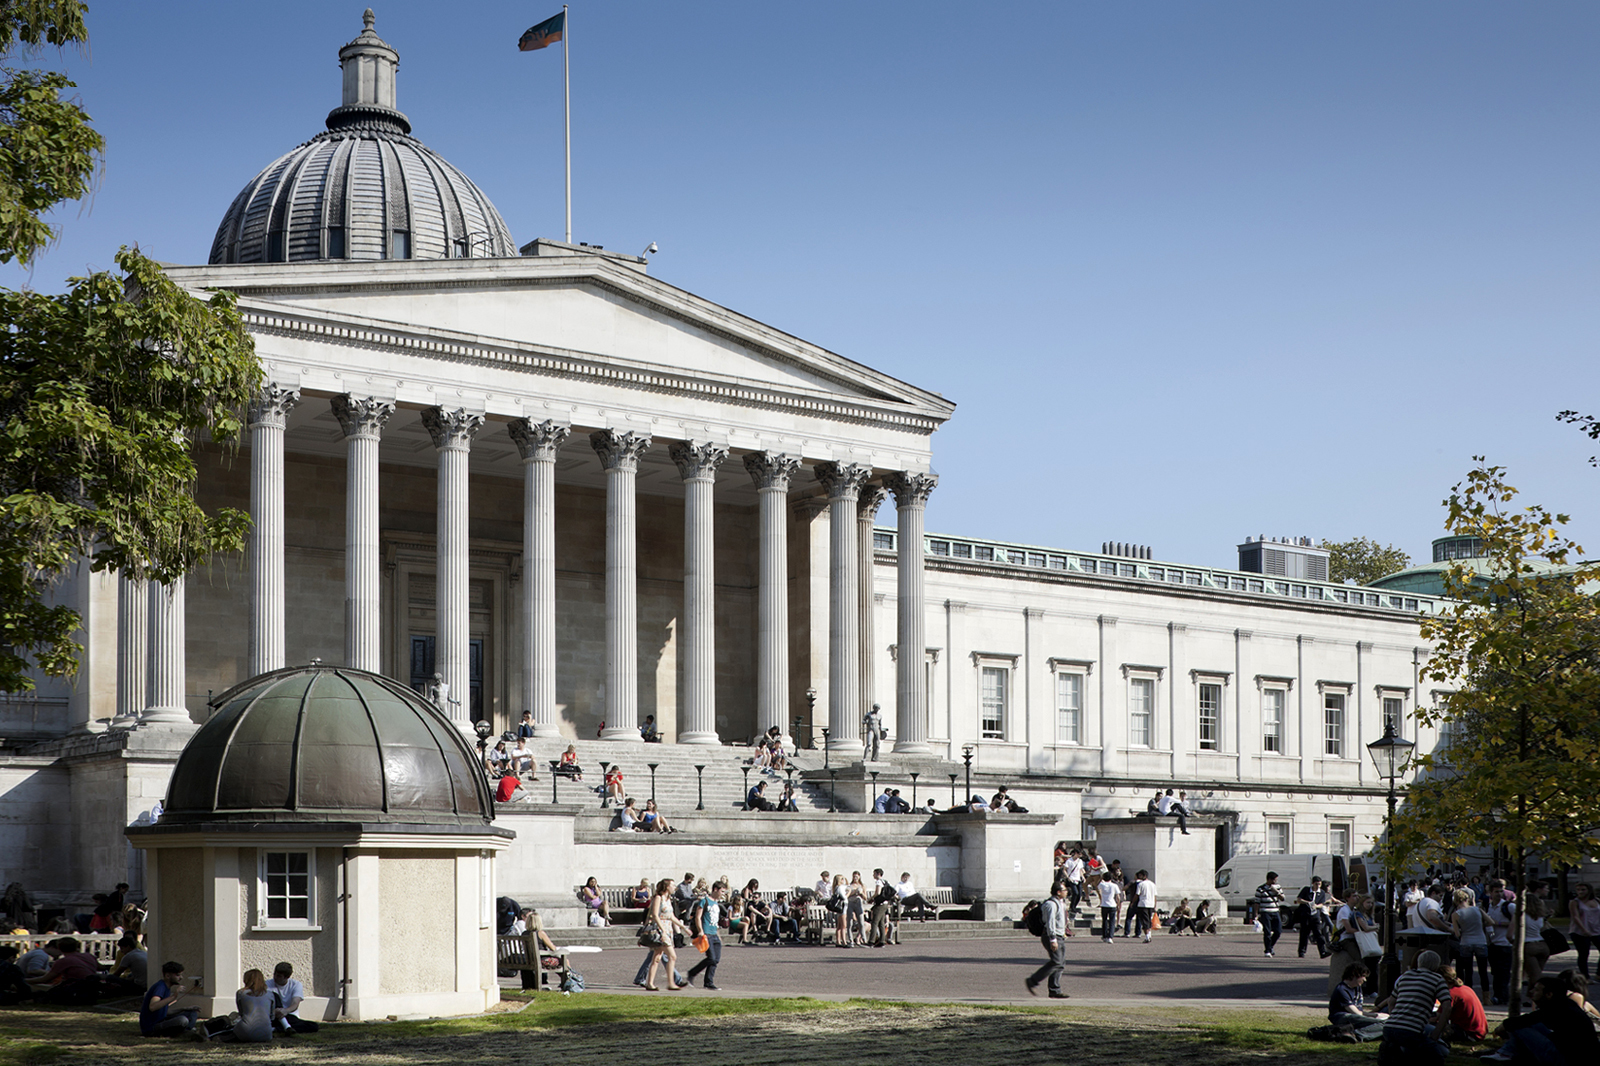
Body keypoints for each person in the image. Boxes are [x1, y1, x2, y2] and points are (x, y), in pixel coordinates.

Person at [1477, 975, 1600, 1064]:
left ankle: (1505, 1054)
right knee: (1530, 1024)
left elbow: (1515, 1023)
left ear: (1549, 994)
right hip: (1569, 1052)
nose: (1531, 992)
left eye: (1536, 990)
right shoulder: (1564, 1004)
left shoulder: (1556, 1008)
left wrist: (1500, 1028)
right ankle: (1508, 1052)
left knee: (1520, 1026)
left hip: (1565, 1059)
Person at [1373, 950, 1452, 1065]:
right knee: (1437, 1057)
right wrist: (1437, 1032)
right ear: (1436, 965)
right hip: (1411, 1030)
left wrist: (1395, 1017)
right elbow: (1447, 1007)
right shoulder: (1437, 980)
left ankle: (1392, 1050)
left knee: (1408, 1051)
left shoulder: (1405, 976)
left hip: (1389, 1028)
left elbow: (1391, 1001)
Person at [1023, 879, 1072, 999]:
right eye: (1065, 890)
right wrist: (1052, 939)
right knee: (1056, 961)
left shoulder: (1061, 902)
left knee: (1060, 963)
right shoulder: (1050, 904)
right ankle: (1033, 980)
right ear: (1058, 892)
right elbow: (1050, 923)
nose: (1067, 892)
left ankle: (1054, 989)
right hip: (1051, 936)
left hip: (1059, 935)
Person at [642, 878, 692, 991]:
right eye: (672, 885)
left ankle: (650, 983)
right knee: (672, 956)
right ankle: (670, 983)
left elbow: (671, 916)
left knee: (657, 957)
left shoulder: (668, 899)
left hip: (668, 930)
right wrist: (662, 930)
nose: (675, 887)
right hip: (661, 931)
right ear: (666, 887)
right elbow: (654, 915)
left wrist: (683, 927)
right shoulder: (658, 898)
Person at [1448, 888, 1490, 1004]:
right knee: (1483, 971)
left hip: (1466, 942)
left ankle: (1469, 997)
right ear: (1467, 899)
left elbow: (1457, 933)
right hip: (1480, 941)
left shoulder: (1456, 914)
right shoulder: (1477, 910)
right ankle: (1486, 998)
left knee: (1468, 972)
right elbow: (1491, 921)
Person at [1328, 961, 1386, 1043]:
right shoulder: (1341, 990)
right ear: (1355, 975)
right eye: (1363, 977)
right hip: (1344, 1017)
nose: (1365, 980)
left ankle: (1356, 1033)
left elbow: (1360, 1012)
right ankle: (1358, 1034)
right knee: (1383, 1023)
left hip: (1357, 1016)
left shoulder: (1357, 987)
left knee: (1385, 1023)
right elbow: (1356, 1013)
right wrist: (1376, 1016)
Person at [140, 961, 200, 1037]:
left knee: (191, 1013)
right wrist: (173, 997)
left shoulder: (167, 988)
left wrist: (185, 1008)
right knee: (182, 1020)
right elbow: (153, 1007)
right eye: (178, 975)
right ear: (167, 976)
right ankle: (184, 1033)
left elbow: (165, 1012)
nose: (181, 978)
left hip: (162, 1021)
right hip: (152, 1027)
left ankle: (185, 1031)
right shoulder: (160, 987)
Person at [684, 882, 725, 989]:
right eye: (722, 891)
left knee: (715, 960)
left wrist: (719, 935)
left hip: (715, 934)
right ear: (715, 889)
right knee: (711, 958)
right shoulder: (704, 901)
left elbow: (715, 921)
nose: (723, 894)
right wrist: (701, 931)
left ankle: (708, 982)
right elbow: (698, 917)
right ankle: (692, 973)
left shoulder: (716, 904)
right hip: (706, 934)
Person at [1437, 964, 1486, 1045]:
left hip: (1469, 1034)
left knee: (1431, 1028)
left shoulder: (1451, 993)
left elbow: (1438, 1017)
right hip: (1479, 1032)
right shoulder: (1465, 988)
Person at [224, 968, 274, 1043]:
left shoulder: (241, 993)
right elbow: (272, 1016)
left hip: (246, 1031)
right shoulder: (270, 994)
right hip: (266, 1034)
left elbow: (241, 1013)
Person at [1294, 876, 1337, 959]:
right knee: (1304, 934)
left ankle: (1322, 951)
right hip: (1306, 915)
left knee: (1319, 934)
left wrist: (1317, 906)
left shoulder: (1321, 893)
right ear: (1313, 884)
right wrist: (1308, 902)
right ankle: (1302, 951)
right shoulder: (1306, 890)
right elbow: (1299, 900)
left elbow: (1322, 903)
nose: (1318, 886)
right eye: (1316, 884)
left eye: (1319, 884)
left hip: (1315, 916)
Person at [1567, 882, 1600, 981]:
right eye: (1578, 890)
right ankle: (1585, 977)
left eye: (1583, 890)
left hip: (1596, 930)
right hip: (1579, 932)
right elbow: (1575, 917)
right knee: (1584, 954)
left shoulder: (1597, 901)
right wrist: (1584, 930)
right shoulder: (1575, 902)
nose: (1580, 892)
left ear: (1589, 890)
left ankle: (1599, 974)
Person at [1255, 871, 1286, 957]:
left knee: (1278, 931)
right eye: (1274, 880)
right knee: (1267, 932)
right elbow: (1257, 902)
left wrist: (1276, 892)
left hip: (1275, 911)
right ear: (1269, 879)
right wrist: (1256, 914)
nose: (1275, 881)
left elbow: (1283, 898)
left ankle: (1270, 945)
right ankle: (1268, 950)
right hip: (1265, 912)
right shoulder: (1260, 889)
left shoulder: (1278, 887)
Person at [1131, 869, 1158, 942]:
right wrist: (1155, 905)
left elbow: (1137, 895)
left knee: (1144, 921)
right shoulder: (1153, 884)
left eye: (1140, 875)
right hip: (1151, 904)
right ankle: (1149, 935)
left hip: (1143, 904)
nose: (1139, 877)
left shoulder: (1141, 884)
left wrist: (1132, 902)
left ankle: (1147, 936)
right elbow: (1155, 896)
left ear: (1144, 876)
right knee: (1148, 920)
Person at [1097, 869, 1122, 943]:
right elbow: (1118, 896)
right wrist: (1118, 904)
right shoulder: (1114, 885)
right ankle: (1110, 936)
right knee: (1112, 921)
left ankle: (1104, 935)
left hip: (1104, 904)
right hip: (1112, 904)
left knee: (1104, 921)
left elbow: (1097, 887)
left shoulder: (1101, 885)